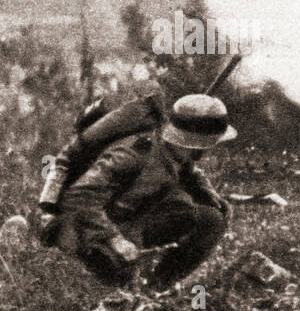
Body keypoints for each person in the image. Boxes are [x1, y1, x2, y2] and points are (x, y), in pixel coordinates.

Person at [57, 94, 235, 290]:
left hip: (134, 220)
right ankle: (118, 278)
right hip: (94, 230)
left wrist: (208, 193)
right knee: (117, 280)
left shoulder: (176, 150)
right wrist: (114, 238)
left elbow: (188, 170)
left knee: (210, 219)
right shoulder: (132, 155)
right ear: (198, 144)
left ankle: (159, 286)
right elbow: (79, 195)